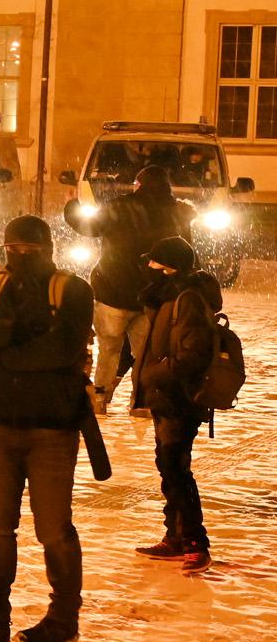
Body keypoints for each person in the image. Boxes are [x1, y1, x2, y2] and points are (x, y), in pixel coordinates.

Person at [0, 215, 95, 642]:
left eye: (28, 250)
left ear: (48, 250)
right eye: (14, 250)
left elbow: (62, 350)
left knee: (53, 529)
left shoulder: (72, 289)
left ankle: (63, 617)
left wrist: (0, 344)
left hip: (51, 429)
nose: (20, 257)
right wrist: (15, 332)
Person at [66, 165, 194, 413]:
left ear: (139, 185)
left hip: (112, 292)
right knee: (145, 354)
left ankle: (100, 399)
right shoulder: (177, 213)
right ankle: (142, 401)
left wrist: (71, 206)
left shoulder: (119, 207)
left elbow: (87, 228)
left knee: (109, 350)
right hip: (152, 296)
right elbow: (186, 253)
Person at [130, 236, 222, 571]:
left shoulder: (187, 300)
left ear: (169, 266)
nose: (148, 268)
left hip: (180, 399)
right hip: (165, 397)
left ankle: (196, 543)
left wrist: (153, 375)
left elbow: (192, 355)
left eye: (153, 262)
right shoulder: (168, 297)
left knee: (176, 470)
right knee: (168, 468)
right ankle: (175, 536)